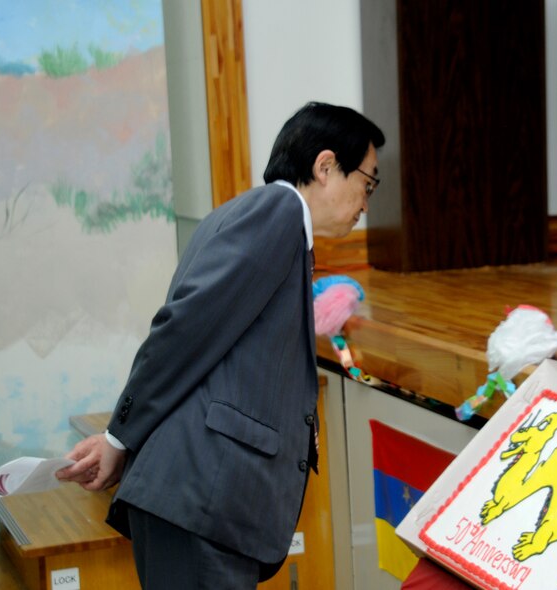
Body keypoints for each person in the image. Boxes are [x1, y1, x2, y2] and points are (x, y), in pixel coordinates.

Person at [57, 102, 385, 588]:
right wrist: (118, 436)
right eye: (368, 182)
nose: (366, 202)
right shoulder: (275, 213)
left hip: (201, 504)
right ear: (325, 166)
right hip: (201, 503)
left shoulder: (251, 214)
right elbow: (183, 330)